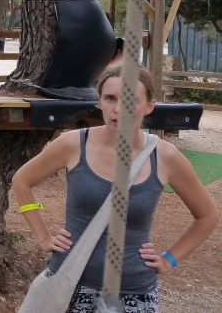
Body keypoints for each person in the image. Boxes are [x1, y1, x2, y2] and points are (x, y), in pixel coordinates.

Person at [12, 63, 218, 312]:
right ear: (99, 101)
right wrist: (43, 237)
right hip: (69, 284)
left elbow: (207, 216)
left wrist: (169, 259)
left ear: (149, 106)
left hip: (133, 295)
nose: (118, 109)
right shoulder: (74, 144)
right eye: (110, 98)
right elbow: (22, 181)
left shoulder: (165, 157)